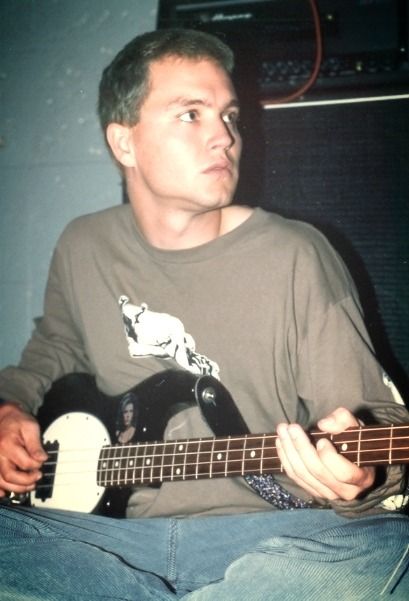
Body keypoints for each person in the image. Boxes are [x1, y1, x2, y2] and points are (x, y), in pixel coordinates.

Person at [0, 28, 408, 600]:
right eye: (191, 114)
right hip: (103, 538)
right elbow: (55, 346)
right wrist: (8, 406)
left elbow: (379, 423)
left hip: (269, 538)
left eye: (230, 115)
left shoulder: (297, 254)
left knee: (386, 545)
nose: (224, 136)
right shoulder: (83, 244)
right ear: (124, 144)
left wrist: (363, 478)